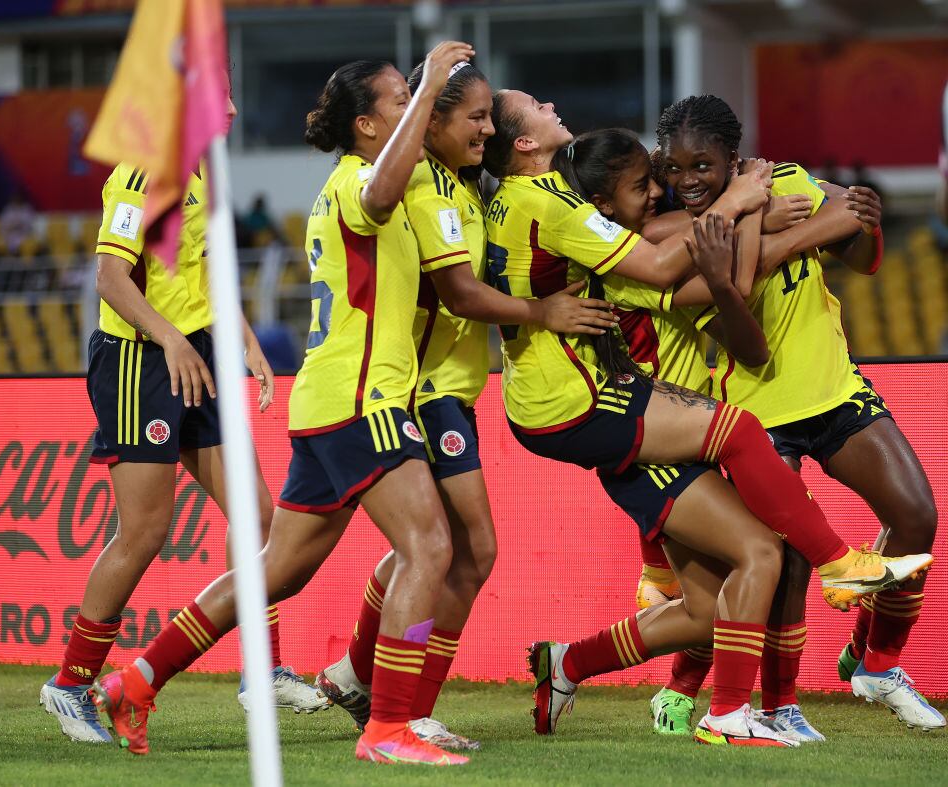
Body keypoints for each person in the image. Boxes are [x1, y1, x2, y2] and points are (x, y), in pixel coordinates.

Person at [480, 88, 934, 746]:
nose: (672, 187)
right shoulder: (635, 248)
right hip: (664, 430)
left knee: (720, 596)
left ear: (733, 157)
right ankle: (748, 698)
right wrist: (773, 217)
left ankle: (584, 666)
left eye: (696, 169)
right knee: (761, 560)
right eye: (658, 177)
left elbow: (853, 236)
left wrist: (824, 215)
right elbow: (738, 308)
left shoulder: (617, 222)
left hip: (675, 424)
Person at [91, 42, 484, 766]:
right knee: (430, 544)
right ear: (366, 126)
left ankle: (136, 682)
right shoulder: (359, 182)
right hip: (359, 399)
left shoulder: (383, 176)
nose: (413, 108)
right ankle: (389, 726)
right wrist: (431, 85)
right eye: (399, 99)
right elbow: (383, 195)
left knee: (276, 570)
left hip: (333, 398)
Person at [316, 60, 617, 751]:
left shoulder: (460, 185)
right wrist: (544, 311)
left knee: (433, 551)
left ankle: (361, 677)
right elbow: (458, 292)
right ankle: (398, 702)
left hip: (447, 389)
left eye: (490, 116)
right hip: (426, 393)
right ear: (436, 121)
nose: (485, 128)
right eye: (474, 117)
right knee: (462, 551)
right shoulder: (422, 181)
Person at [38, 80, 328, 747]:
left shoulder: (205, 172)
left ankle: (262, 667)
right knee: (144, 531)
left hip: (191, 351)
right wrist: (171, 338)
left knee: (257, 516)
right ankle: (72, 682)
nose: (231, 109)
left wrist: (246, 340)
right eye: (220, 98)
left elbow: (199, 277)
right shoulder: (143, 170)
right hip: (140, 361)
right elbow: (111, 277)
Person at [653, 94, 944, 733]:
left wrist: (861, 219)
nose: (686, 181)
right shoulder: (675, 233)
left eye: (701, 164)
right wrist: (806, 227)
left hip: (835, 388)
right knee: (784, 566)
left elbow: (864, 259)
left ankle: (875, 662)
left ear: (735, 158)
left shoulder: (786, 181)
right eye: (673, 169)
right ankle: (781, 708)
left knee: (916, 516)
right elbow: (738, 291)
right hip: (754, 411)